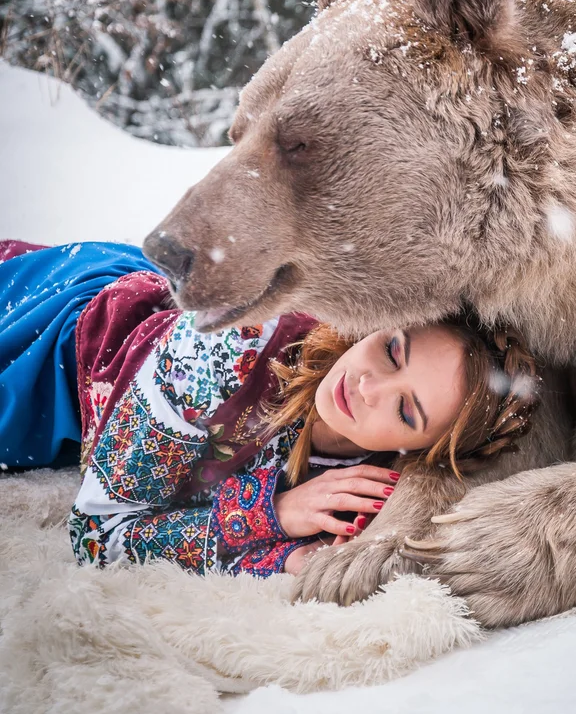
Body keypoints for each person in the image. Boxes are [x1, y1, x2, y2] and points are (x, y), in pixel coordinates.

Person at [0, 239, 538, 578]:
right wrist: (272, 515)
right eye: (393, 349)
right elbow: (98, 537)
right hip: (51, 350)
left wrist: (281, 556)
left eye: (406, 412)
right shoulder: (221, 355)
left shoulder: (374, 483)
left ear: (420, 449)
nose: (370, 386)